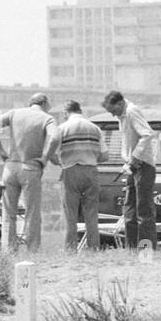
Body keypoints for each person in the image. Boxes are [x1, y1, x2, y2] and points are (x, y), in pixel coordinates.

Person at [0, 93, 59, 252]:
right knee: (32, 212)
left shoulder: (14, 113)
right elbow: (54, 138)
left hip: (10, 167)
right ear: (44, 103)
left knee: (9, 212)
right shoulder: (47, 118)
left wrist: (1, 151)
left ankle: (9, 249)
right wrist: (45, 158)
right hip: (30, 168)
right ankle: (33, 250)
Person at [100, 90, 157, 249]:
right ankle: (132, 248)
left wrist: (135, 157)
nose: (113, 115)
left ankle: (146, 248)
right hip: (132, 166)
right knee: (129, 209)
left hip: (143, 165)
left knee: (143, 210)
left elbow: (147, 135)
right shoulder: (122, 115)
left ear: (119, 103)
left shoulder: (131, 112)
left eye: (113, 111)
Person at [54, 99, 106, 251]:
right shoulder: (95, 128)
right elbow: (105, 156)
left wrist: (61, 162)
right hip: (91, 171)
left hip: (70, 170)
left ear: (65, 112)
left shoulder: (62, 128)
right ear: (80, 110)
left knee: (70, 214)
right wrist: (90, 156)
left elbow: (54, 153)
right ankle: (93, 248)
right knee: (91, 213)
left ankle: (71, 249)